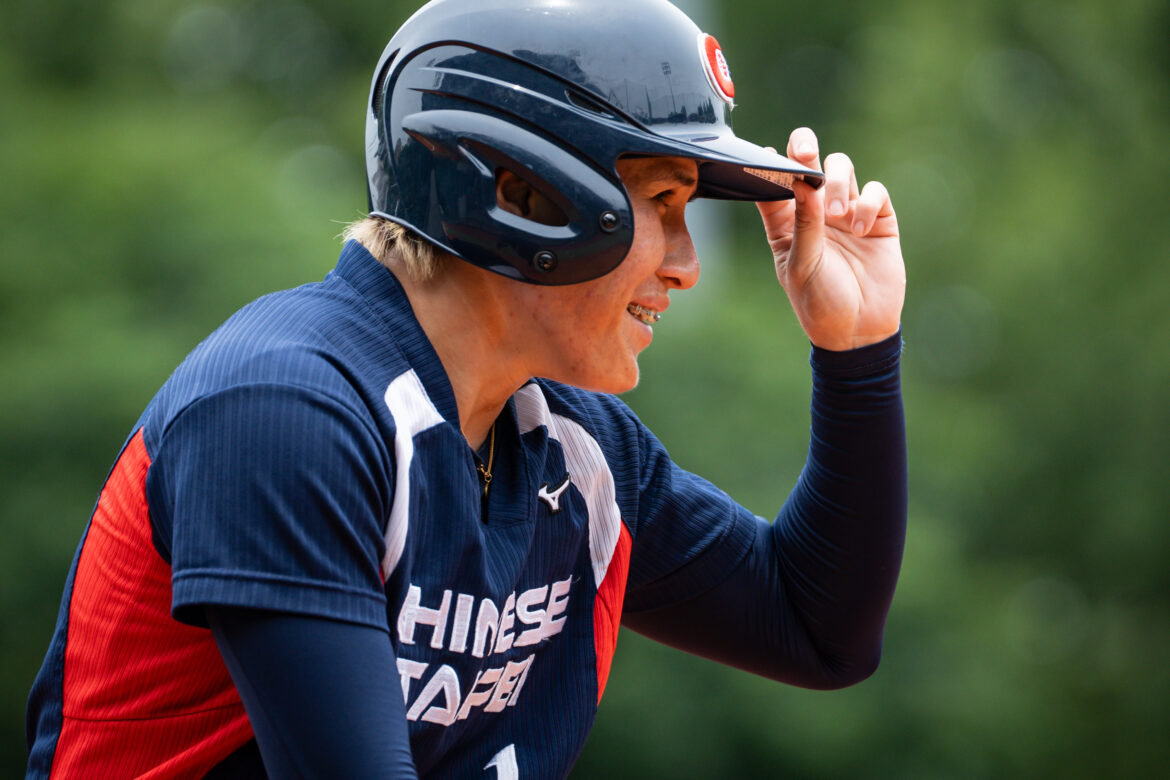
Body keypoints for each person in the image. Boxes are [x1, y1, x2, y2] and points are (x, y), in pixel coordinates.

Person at [26, 0, 907, 777]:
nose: (685, 265)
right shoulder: (284, 411)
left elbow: (817, 631)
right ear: (521, 190)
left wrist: (858, 351)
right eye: (663, 202)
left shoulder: (572, 446)